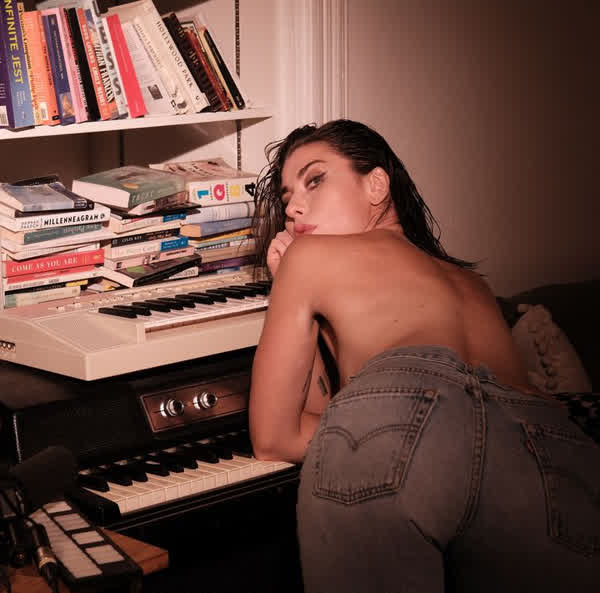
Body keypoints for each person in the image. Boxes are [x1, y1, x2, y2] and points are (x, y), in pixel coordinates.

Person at [248, 119, 600, 592]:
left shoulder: (308, 257)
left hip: (401, 416)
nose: (293, 207)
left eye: (314, 180)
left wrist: (286, 279)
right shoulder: (472, 283)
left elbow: (277, 437)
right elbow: (471, 416)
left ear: (376, 185)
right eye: (288, 196)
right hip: (553, 446)